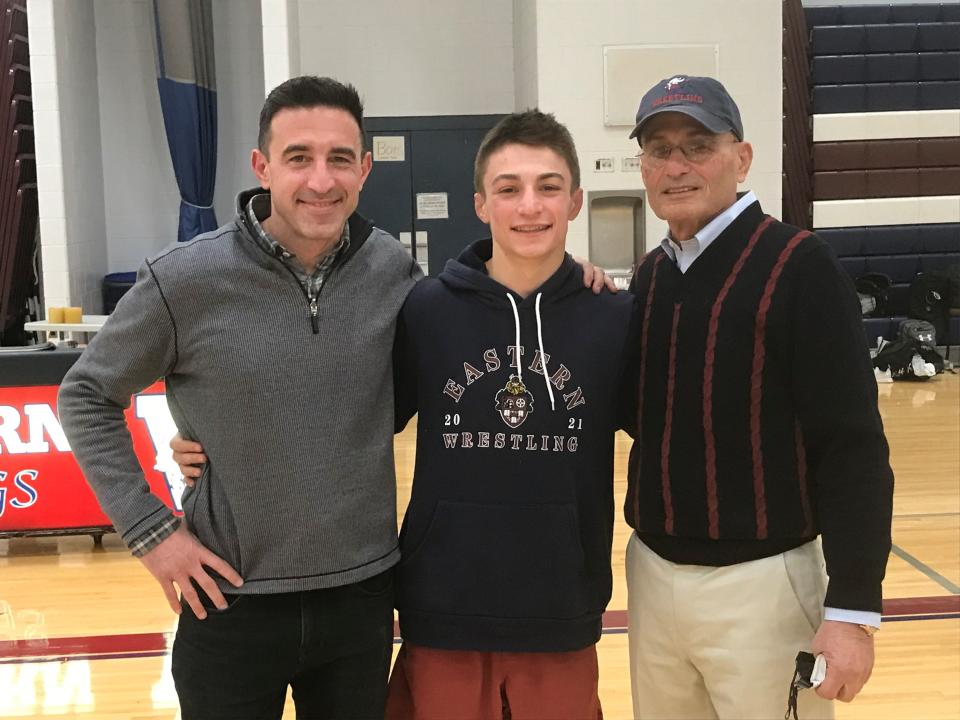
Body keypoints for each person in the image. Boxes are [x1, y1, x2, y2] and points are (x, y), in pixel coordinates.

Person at [58, 76, 420, 719]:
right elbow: (86, 394)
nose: (321, 179)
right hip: (226, 598)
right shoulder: (184, 278)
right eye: (298, 157)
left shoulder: (394, 272)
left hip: (361, 597)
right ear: (262, 166)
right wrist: (152, 534)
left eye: (340, 158)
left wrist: (570, 276)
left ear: (364, 168)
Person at [622, 74, 894, 720]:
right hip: (654, 579)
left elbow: (851, 448)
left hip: (764, 585)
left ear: (741, 158)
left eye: (697, 145)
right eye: (659, 149)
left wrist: (853, 609)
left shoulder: (801, 267)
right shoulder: (651, 277)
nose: (676, 165)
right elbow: (631, 414)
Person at [383, 110, 634, 719]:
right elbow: (355, 421)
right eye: (509, 188)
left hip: (559, 606)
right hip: (442, 602)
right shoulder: (425, 310)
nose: (530, 206)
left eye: (548, 187)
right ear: (480, 204)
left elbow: (674, 435)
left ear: (575, 201)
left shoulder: (614, 318)